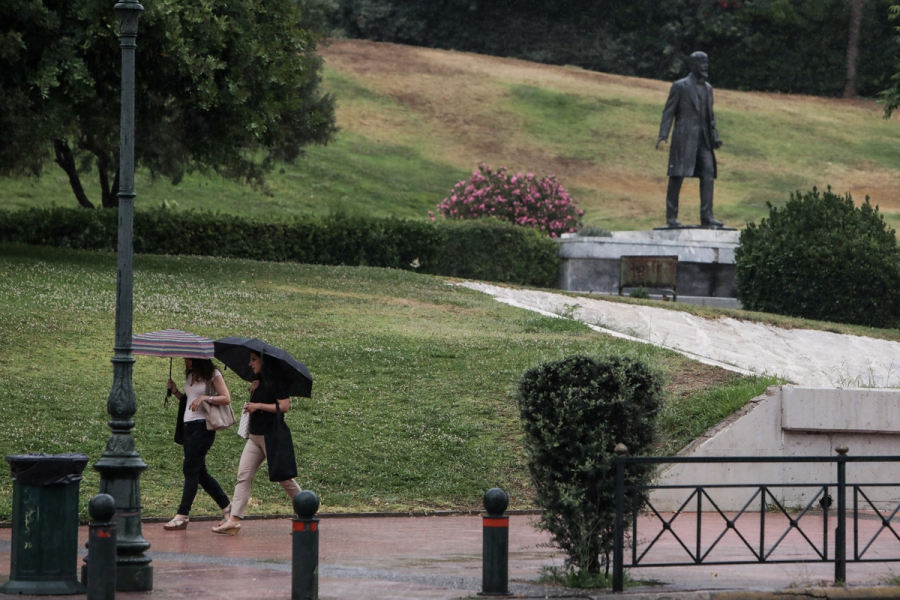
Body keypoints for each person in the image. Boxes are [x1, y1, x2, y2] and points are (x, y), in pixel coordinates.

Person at [213, 350, 301, 535]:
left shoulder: (276, 380)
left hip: (272, 435)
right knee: (243, 476)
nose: (250, 364)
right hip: (255, 436)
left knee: (284, 478)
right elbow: (261, 399)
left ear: (264, 361)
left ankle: (304, 510)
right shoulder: (258, 381)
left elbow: (284, 406)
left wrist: (257, 405)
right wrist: (254, 391)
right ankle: (234, 520)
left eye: (254, 360)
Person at [656, 51, 724, 228]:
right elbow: (669, 111)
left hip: (704, 140)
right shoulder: (681, 86)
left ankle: (707, 216)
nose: (705, 67)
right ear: (693, 65)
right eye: (701, 63)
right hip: (684, 138)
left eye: (706, 63)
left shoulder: (708, 88)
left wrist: (715, 136)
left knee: (708, 173)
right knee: (677, 175)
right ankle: (672, 217)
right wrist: (663, 134)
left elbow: (711, 116)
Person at [164, 358, 233, 530]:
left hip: (203, 427)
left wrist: (205, 397)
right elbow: (189, 400)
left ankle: (182, 515)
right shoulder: (190, 376)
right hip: (188, 427)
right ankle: (227, 507)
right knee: (200, 472)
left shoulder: (213, 375)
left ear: (198, 359)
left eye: (188, 358)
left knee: (190, 469)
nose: (185, 361)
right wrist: (175, 392)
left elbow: (226, 398)